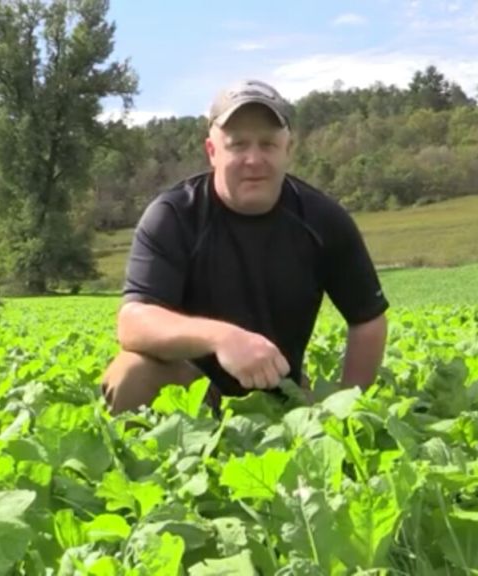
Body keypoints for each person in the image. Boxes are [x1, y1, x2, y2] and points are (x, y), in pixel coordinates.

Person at [101, 79, 389, 415]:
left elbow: (367, 319)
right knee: (130, 373)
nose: (254, 159)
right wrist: (222, 338)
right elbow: (134, 322)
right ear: (212, 152)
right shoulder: (174, 216)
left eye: (267, 144)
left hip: (281, 399)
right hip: (189, 395)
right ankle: (151, 465)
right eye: (237, 145)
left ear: (288, 149)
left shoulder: (323, 219)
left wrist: (345, 406)